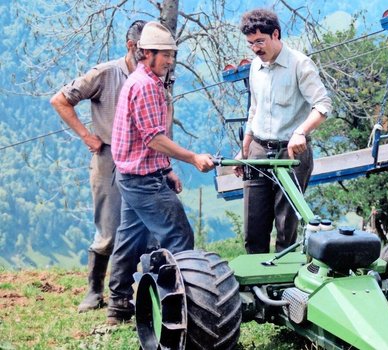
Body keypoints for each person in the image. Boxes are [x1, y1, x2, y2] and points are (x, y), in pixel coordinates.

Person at [107, 21, 215, 325]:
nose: (169, 60)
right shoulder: (144, 86)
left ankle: (118, 306)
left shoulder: (146, 81)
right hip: (141, 180)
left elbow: (148, 142)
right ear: (146, 53)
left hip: (132, 174)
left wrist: (166, 169)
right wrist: (193, 157)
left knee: (130, 238)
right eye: (164, 54)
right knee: (179, 236)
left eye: (172, 54)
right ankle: (184, 311)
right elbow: (153, 138)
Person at [50, 20, 146, 313]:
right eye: (145, 49)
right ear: (131, 47)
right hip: (109, 159)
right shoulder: (106, 73)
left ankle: (133, 293)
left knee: (146, 229)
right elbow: (60, 100)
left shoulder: (154, 74)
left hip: (143, 159)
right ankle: (94, 291)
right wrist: (86, 136)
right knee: (110, 228)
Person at [235, 9, 332, 254]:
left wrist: (301, 132)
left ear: (275, 34)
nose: (256, 48)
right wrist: (243, 150)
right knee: (253, 225)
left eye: (260, 41)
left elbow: (323, 105)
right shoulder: (255, 66)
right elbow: (253, 109)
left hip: (291, 152)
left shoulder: (299, 64)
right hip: (258, 150)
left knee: (286, 225)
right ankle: (256, 286)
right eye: (251, 43)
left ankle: (282, 287)